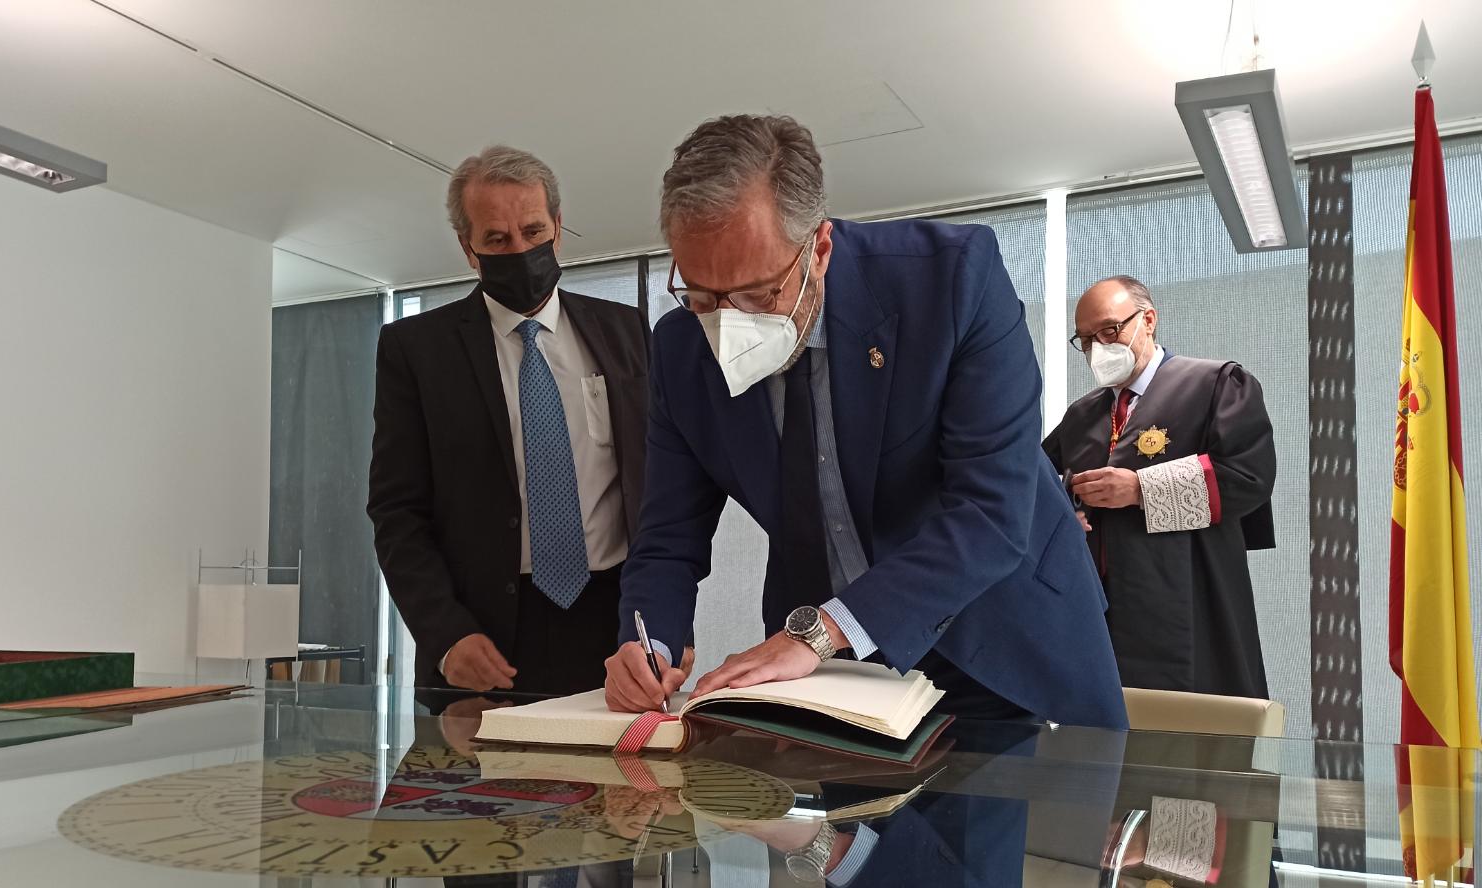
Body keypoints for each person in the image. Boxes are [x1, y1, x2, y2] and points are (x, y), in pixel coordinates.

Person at [603, 114, 1126, 729]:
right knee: (839, 824)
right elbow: (668, 534)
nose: (726, 322)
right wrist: (651, 642)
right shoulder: (680, 349)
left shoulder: (952, 280)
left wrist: (823, 631)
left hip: (1000, 643)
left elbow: (990, 512)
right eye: (699, 294)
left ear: (818, 249)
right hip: (826, 683)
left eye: (757, 294)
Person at [368, 145, 654, 696]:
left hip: (615, 630)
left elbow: (665, 486)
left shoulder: (628, 332)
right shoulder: (415, 349)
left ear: (558, 227)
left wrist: (663, 621)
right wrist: (444, 634)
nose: (519, 249)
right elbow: (396, 510)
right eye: (497, 239)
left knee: (624, 782)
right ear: (468, 248)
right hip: (480, 643)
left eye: (532, 230)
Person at [1043, 275, 1276, 698]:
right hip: (1097, 609)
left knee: (1190, 741)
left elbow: (1248, 476)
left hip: (1188, 598)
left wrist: (1140, 489)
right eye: (1086, 340)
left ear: (1148, 320)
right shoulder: (1082, 415)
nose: (1099, 347)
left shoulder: (1215, 384)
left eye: (1110, 330)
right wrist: (1062, 514)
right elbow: (1033, 482)